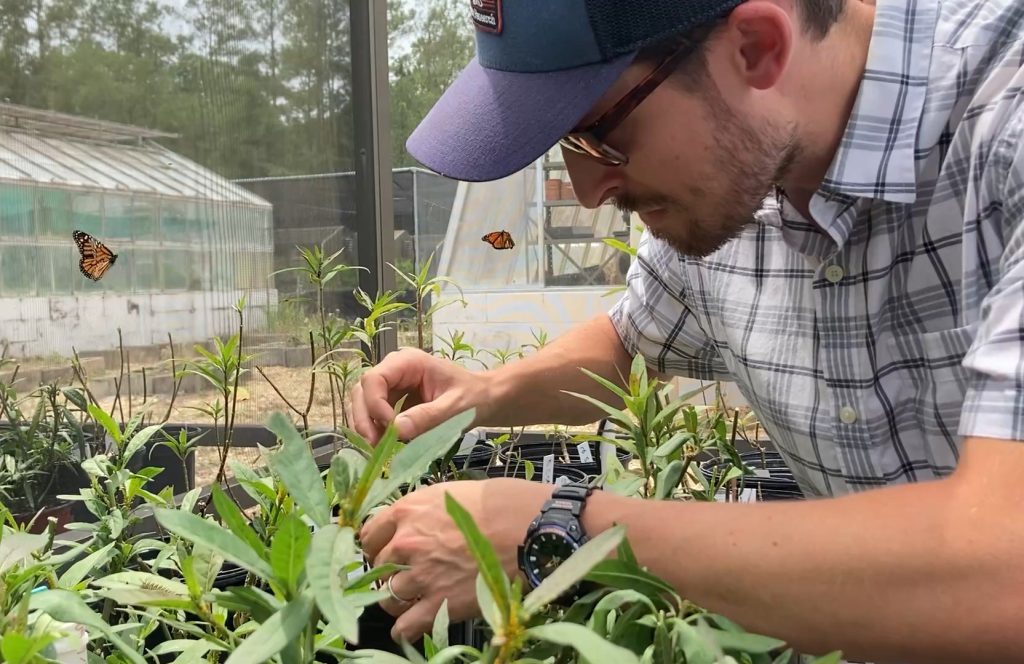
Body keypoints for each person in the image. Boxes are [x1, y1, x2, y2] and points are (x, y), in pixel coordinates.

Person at [354, 0, 1024, 661]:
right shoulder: (742, 168)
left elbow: (1004, 570)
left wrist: (562, 530)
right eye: (568, 147)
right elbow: (630, 343)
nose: (588, 190)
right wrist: (484, 393)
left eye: (598, 135)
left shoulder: (1004, 118)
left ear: (756, 47)